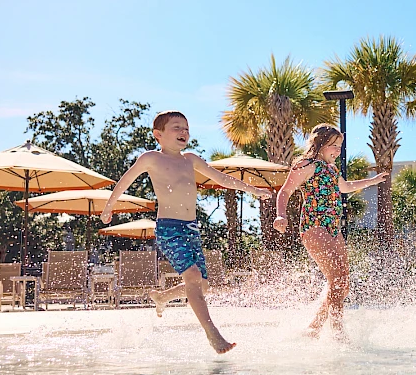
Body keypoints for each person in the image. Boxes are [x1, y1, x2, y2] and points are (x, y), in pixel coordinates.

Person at [100, 110, 272, 354]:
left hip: (192, 227)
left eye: (186, 128)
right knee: (192, 277)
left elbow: (221, 178)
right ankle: (213, 334)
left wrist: (252, 190)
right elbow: (125, 181)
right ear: (158, 135)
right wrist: (109, 208)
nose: (183, 132)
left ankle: (163, 297)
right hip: (169, 228)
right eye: (176, 128)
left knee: (202, 286)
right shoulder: (151, 158)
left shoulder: (190, 159)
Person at [273, 124, 389, 342]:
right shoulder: (306, 165)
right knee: (336, 279)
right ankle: (338, 332)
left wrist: (372, 181)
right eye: (333, 145)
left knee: (343, 283)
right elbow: (285, 191)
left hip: (333, 228)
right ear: (320, 143)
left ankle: (314, 328)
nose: (337, 150)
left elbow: (344, 187)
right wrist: (281, 215)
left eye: (339, 146)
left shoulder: (332, 169)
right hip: (314, 226)